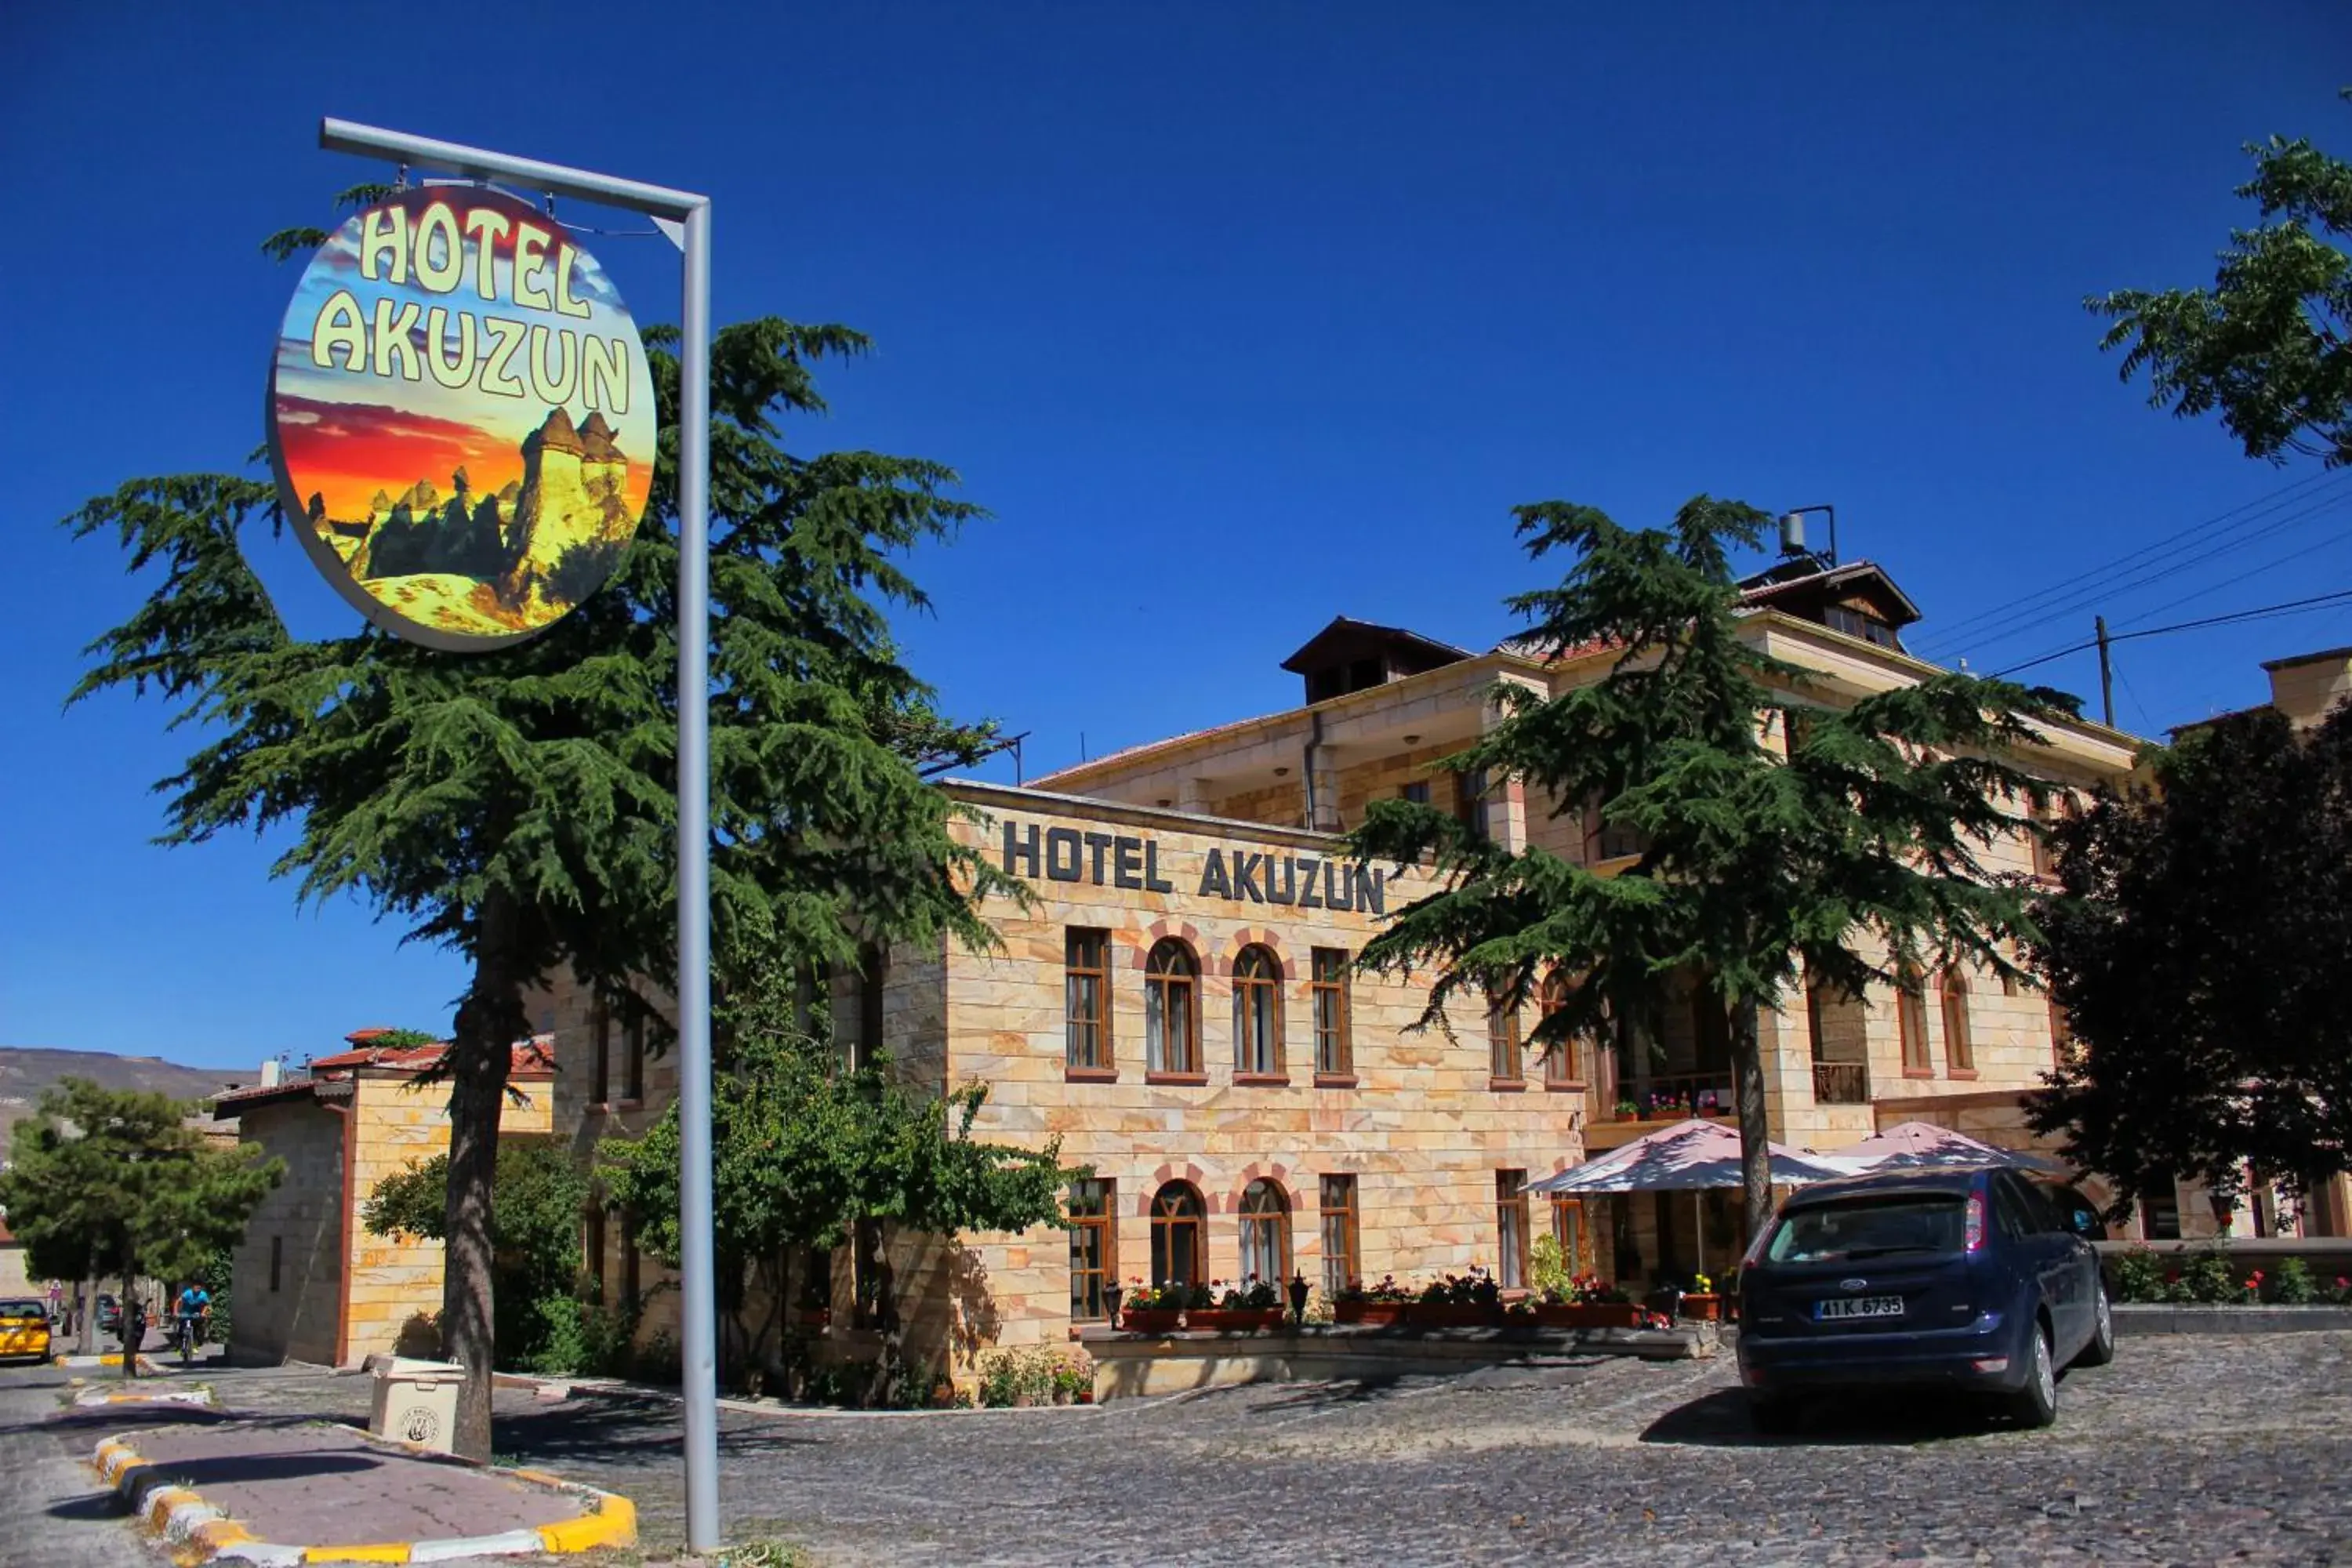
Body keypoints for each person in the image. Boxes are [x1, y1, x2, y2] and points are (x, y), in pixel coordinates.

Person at [174, 1280, 212, 1354]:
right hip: (186, 1312)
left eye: (199, 1288)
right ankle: (179, 1346)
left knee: (196, 1329)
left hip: (196, 1313)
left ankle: (194, 1346)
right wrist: (176, 1312)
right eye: (196, 1288)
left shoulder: (203, 1295)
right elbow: (178, 1301)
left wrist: (203, 1313)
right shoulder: (188, 1293)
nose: (197, 1290)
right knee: (182, 1328)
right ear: (193, 1288)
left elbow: (207, 1304)